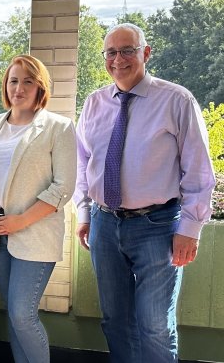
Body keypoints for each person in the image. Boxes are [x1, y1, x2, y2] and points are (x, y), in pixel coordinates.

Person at [73, 23, 215, 362]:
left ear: (145, 53)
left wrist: (190, 230)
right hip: (104, 224)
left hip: (158, 226)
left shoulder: (176, 100)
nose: (118, 59)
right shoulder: (94, 104)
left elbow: (198, 170)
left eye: (128, 50)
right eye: (111, 52)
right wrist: (84, 213)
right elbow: (82, 164)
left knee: (154, 325)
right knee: (115, 321)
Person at [0, 55, 76, 363]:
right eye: (13, 80)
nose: (19, 87)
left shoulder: (59, 127)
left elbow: (63, 187)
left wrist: (21, 221)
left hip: (35, 236)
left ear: (40, 87)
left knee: (22, 314)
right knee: (14, 317)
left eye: (28, 81)